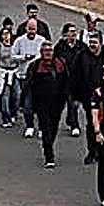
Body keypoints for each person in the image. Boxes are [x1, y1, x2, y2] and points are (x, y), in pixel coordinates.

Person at [75, 31, 104, 164]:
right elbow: (76, 76)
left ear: (101, 43)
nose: (92, 45)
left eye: (95, 42)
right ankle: (92, 151)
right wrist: (75, 94)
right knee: (92, 124)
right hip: (89, 97)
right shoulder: (82, 56)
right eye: (90, 42)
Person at [28, 41, 69, 169]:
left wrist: (66, 97)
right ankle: (49, 156)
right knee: (45, 128)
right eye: (45, 51)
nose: (48, 53)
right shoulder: (35, 66)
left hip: (57, 103)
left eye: (50, 51)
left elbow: (66, 82)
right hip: (41, 103)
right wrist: (28, 103)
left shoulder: (60, 64)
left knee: (54, 127)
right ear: (41, 52)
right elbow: (29, 85)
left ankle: (49, 144)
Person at [11, 19, 46, 137]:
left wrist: (35, 59)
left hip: (39, 77)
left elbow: (45, 56)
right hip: (23, 75)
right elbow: (13, 56)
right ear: (26, 28)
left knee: (41, 104)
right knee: (27, 104)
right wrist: (24, 57)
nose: (31, 31)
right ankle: (30, 126)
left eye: (34, 29)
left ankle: (42, 127)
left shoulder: (42, 40)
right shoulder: (19, 41)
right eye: (29, 29)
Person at [53, 23, 85, 137]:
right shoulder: (60, 47)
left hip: (76, 80)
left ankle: (74, 125)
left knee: (74, 104)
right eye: (71, 31)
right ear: (65, 34)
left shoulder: (81, 46)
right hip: (62, 80)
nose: (73, 34)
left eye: (74, 31)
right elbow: (55, 62)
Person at [0, 26, 19, 128]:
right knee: (4, 96)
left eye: (8, 34)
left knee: (17, 95)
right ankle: (6, 117)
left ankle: (13, 112)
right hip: (3, 72)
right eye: (4, 34)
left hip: (14, 73)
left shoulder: (15, 46)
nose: (6, 36)